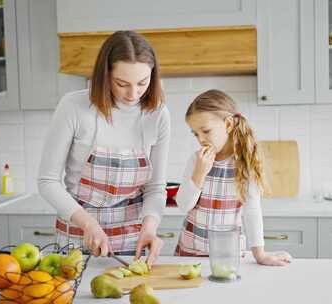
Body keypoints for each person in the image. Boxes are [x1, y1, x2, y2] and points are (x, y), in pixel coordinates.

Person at [37, 31, 170, 266]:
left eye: (142, 83)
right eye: (122, 83)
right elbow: (48, 181)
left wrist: (150, 227)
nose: (133, 94)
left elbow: (156, 187)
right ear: (105, 75)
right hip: (78, 234)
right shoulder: (74, 106)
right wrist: (88, 224)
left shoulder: (158, 114)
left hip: (132, 240)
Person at [174, 89, 291, 266]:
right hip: (190, 254)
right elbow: (183, 205)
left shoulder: (245, 163)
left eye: (206, 131)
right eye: (196, 134)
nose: (200, 139)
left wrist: (260, 255)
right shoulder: (196, 160)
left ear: (228, 125)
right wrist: (199, 172)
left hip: (229, 256)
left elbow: (252, 210)